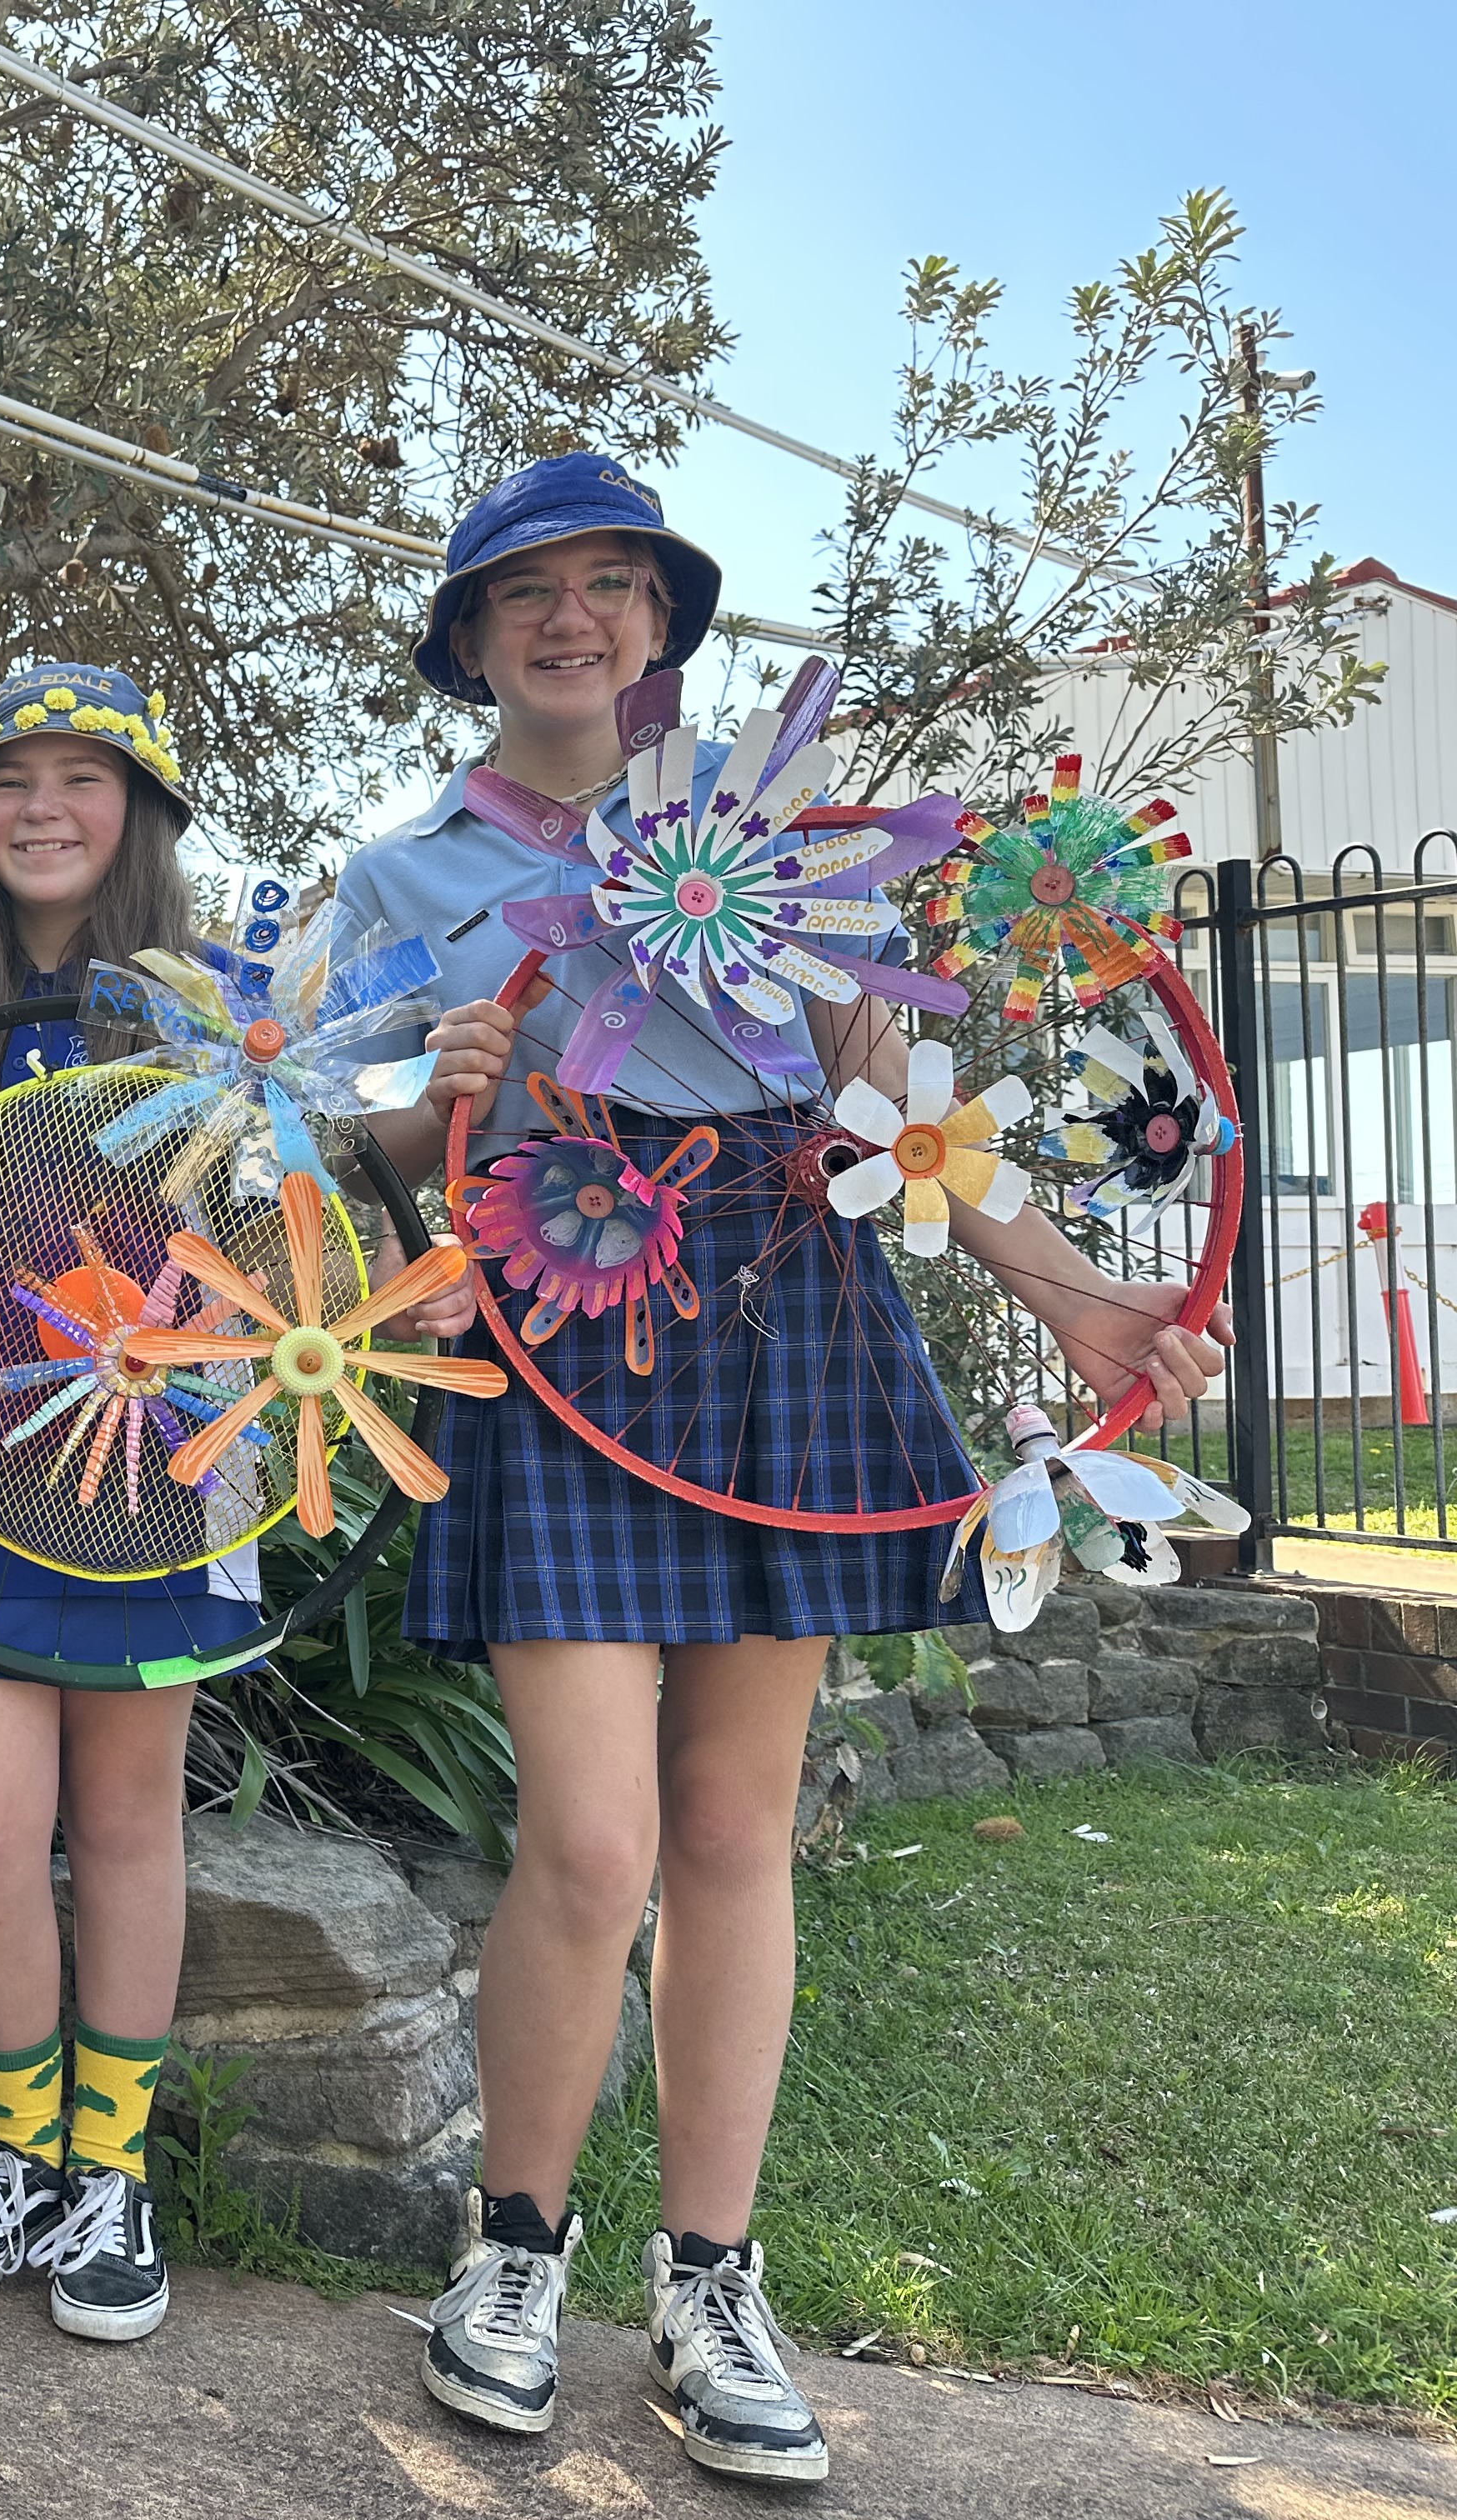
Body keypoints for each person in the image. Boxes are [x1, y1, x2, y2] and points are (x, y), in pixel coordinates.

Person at [333, 452, 1225, 2483]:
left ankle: (713, 2279)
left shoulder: (777, 836)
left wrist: (1077, 1292)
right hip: (561, 1306)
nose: (572, 621)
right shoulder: (406, 881)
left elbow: (886, 1098)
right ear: (470, 641)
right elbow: (357, 1150)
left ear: (660, 624)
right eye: (527, 594)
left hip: (787, 1299)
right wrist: (458, 1084)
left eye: (611, 587)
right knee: (588, 1844)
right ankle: (513, 2253)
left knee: (735, 1834)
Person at [0, 664, 228, 2342]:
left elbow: (278, 1227)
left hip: (149, 1467)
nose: (45, 808)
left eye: (84, 778)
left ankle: (111, 2170)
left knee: (129, 1822)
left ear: (137, 813)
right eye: (11, 780)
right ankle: (12, 2151)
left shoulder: (211, 1003)